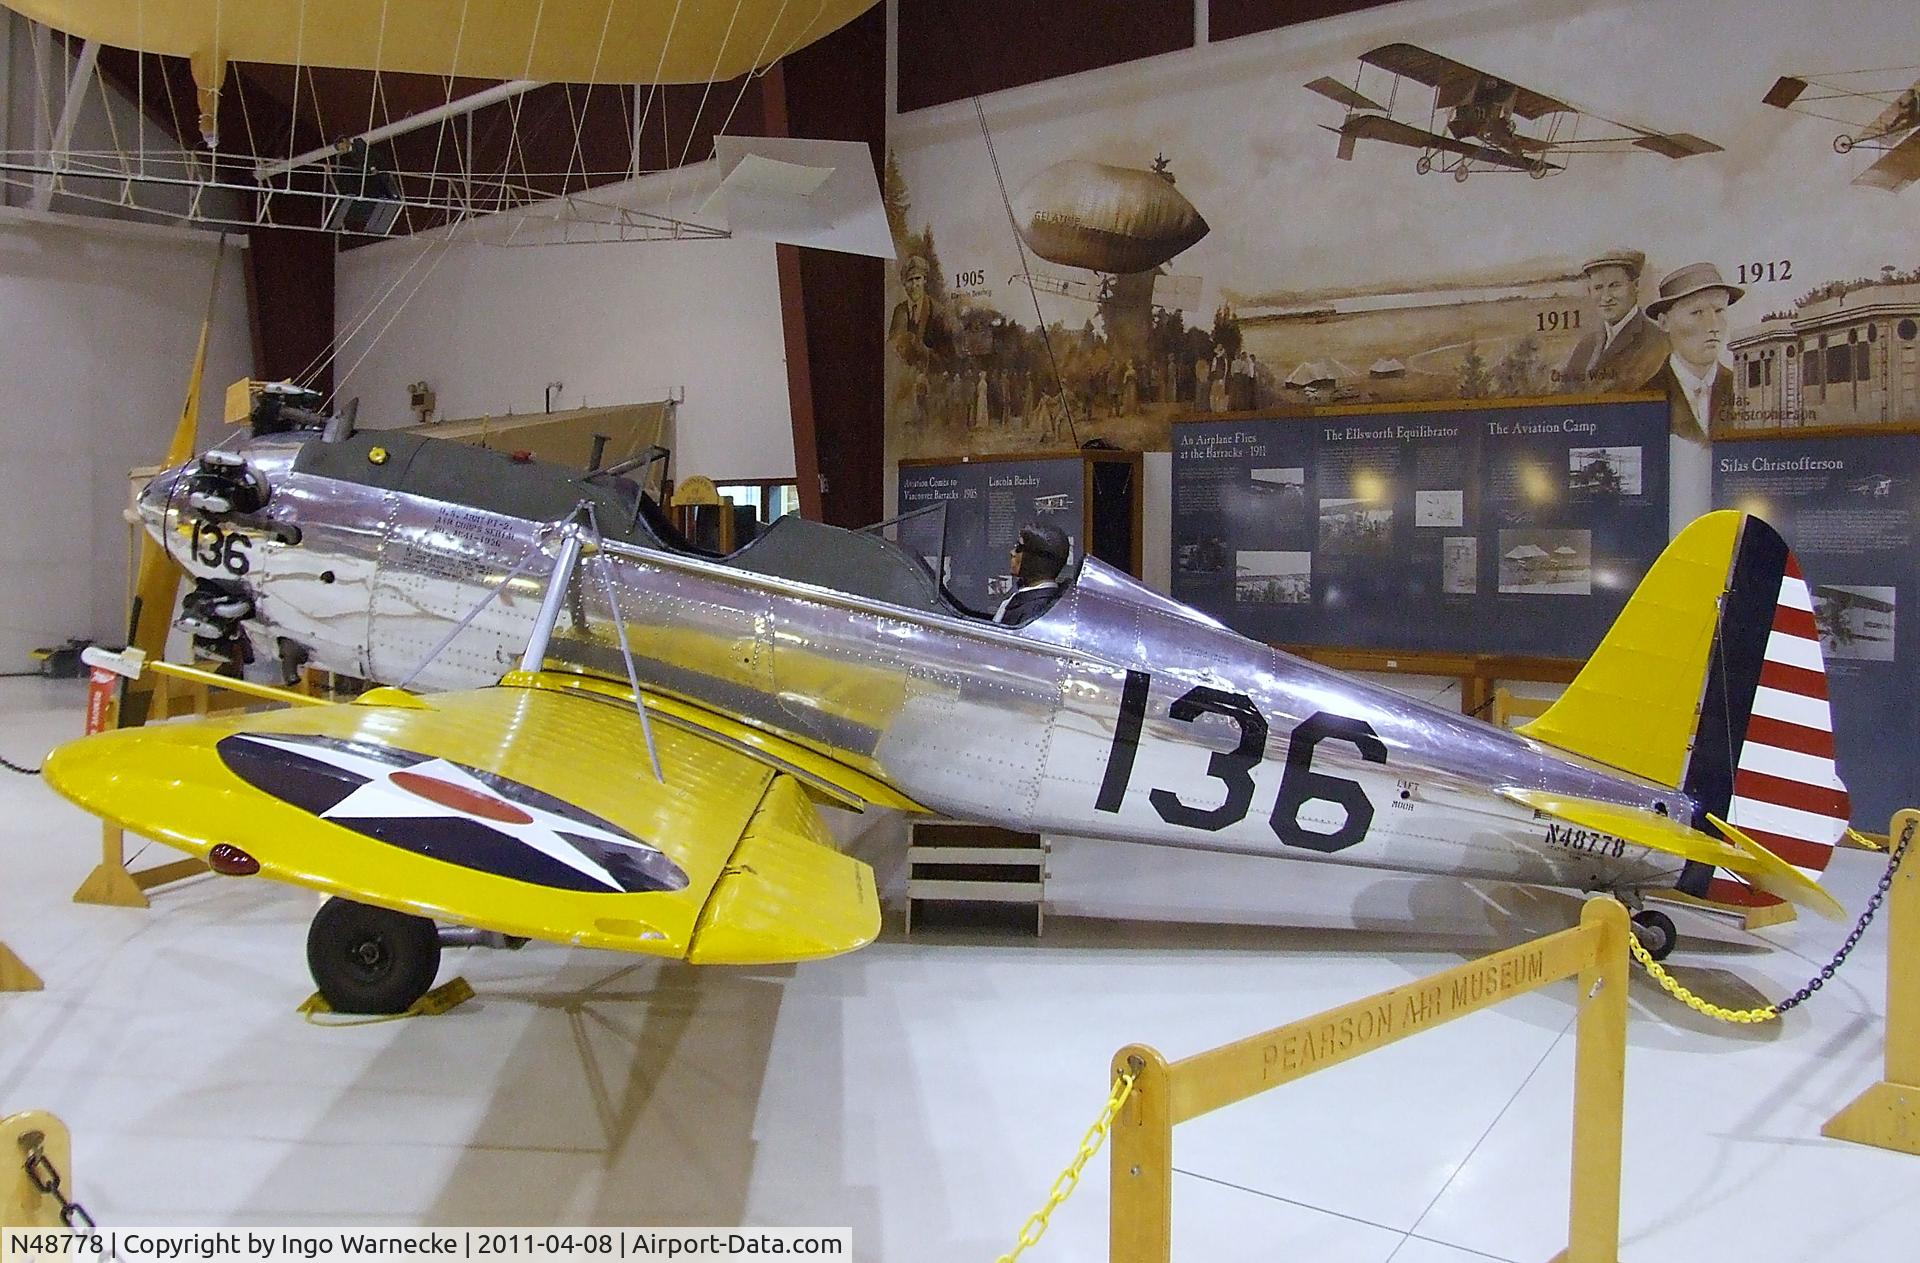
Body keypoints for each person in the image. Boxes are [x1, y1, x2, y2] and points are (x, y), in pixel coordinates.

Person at [1640, 262, 1743, 443]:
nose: (1713, 325)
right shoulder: (1642, 399)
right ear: (1664, 323)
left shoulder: (1743, 390)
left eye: (1719, 310)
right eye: (1696, 312)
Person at [1558, 249, 1666, 394]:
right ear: (1590, 292)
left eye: (1614, 286)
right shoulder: (1586, 346)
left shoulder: (1657, 343)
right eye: (1598, 288)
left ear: (1635, 286)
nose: (1606, 297)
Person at [994, 523, 1072, 625]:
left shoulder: (1035, 608)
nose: (1013, 552)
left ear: (1037, 559)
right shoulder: (1036, 600)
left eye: (1019, 548)